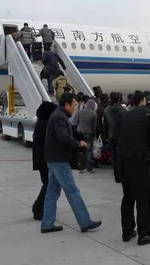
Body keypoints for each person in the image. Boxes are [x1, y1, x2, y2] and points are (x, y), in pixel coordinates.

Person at [40, 93, 102, 233]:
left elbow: (69, 132)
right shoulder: (58, 117)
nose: (75, 108)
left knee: (52, 193)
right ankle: (85, 222)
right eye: (73, 105)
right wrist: (78, 144)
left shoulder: (59, 116)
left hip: (53, 159)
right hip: (59, 160)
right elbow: (63, 137)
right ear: (66, 105)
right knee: (73, 192)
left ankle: (47, 224)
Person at [118, 93, 150, 245]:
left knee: (128, 197)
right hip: (139, 160)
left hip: (124, 160)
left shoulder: (126, 115)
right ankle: (144, 234)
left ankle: (127, 231)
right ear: (143, 101)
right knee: (143, 198)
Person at [31, 101, 58, 220]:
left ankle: (39, 208)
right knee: (47, 185)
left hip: (41, 160)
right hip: (44, 161)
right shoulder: (45, 124)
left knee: (47, 184)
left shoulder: (40, 122)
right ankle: (38, 209)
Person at [103, 92, 127, 183]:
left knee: (114, 156)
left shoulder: (106, 110)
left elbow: (104, 125)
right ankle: (122, 174)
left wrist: (105, 135)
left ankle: (116, 175)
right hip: (122, 136)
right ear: (119, 99)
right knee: (122, 156)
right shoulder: (123, 110)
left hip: (111, 136)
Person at [73, 99, 98, 172]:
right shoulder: (94, 114)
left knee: (80, 149)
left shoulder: (80, 111)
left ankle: (80, 166)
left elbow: (76, 121)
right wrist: (94, 136)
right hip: (88, 132)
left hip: (79, 131)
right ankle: (89, 168)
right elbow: (94, 127)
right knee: (89, 150)